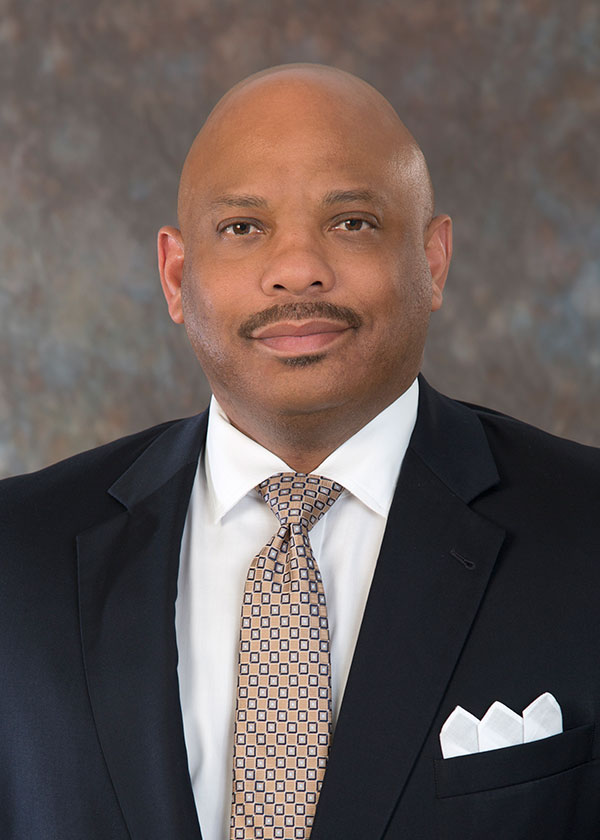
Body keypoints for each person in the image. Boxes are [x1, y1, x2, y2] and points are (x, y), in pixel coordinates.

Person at [1, 63, 599, 840]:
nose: (297, 271)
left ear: (434, 260)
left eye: (351, 222)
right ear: (178, 275)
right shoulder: (16, 555)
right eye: (244, 228)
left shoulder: (586, 533)